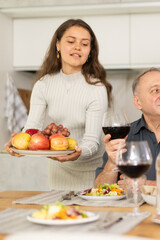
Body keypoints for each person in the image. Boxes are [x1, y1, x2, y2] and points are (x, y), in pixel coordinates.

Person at [5, 19, 112, 190]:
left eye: (84, 44)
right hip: (58, 171)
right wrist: (17, 142)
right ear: (58, 45)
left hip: (91, 171)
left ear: (90, 51)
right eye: (70, 41)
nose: (77, 47)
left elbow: (93, 141)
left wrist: (76, 153)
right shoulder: (43, 85)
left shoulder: (96, 89)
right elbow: (32, 128)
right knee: (59, 214)